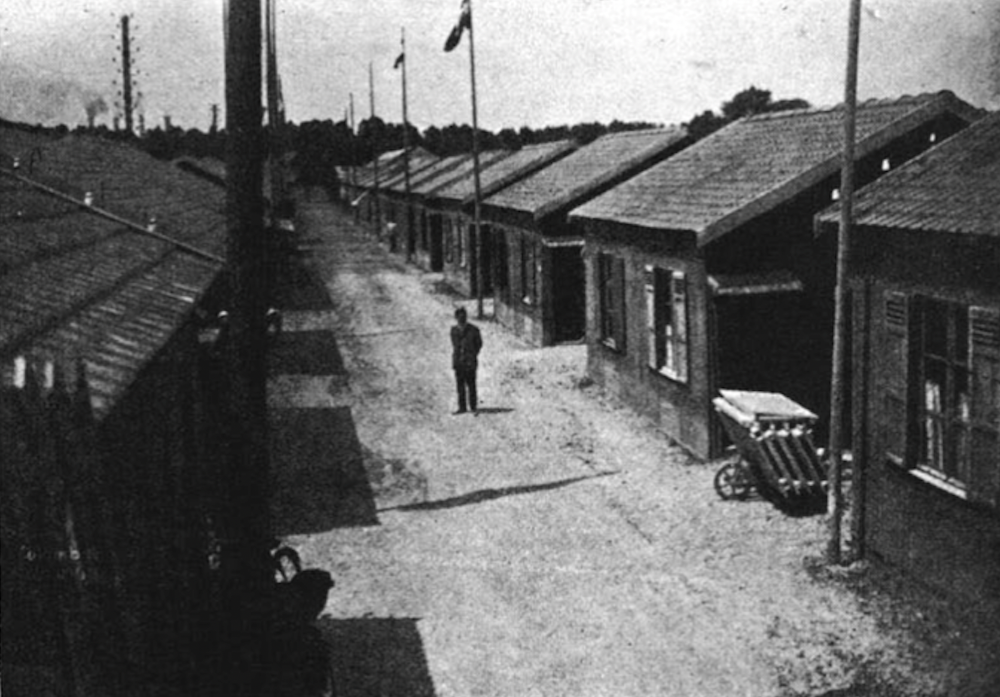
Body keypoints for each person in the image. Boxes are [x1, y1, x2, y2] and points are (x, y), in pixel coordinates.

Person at [450, 307, 482, 415]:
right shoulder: (454, 331)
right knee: (460, 385)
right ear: (456, 318)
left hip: (470, 361)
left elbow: (479, 344)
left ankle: (473, 406)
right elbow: (455, 345)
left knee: (471, 384)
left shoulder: (474, 330)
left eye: (463, 317)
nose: (461, 319)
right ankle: (462, 407)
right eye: (459, 317)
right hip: (458, 361)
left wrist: (472, 354)